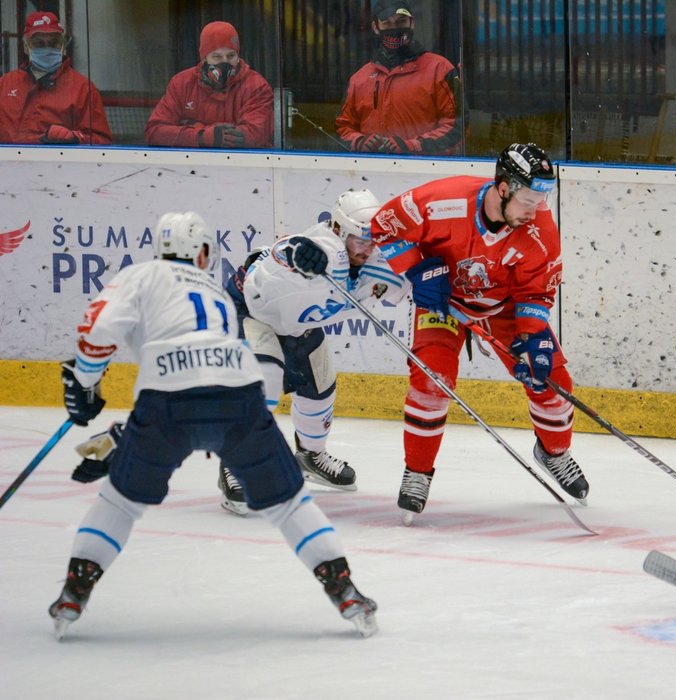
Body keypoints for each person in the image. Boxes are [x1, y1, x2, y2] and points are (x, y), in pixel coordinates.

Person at [49, 211, 377, 639]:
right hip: (238, 399)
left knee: (119, 503)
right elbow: (206, 373)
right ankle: (345, 591)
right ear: (202, 252)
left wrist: (86, 386)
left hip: (166, 404)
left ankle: (74, 592)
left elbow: (99, 330)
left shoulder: (141, 276)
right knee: (290, 504)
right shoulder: (215, 293)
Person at [370, 142, 588, 524]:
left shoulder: (540, 230)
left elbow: (535, 293)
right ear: (503, 187)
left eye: (542, 197)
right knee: (431, 380)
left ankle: (553, 452)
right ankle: (418, 472)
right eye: (527, 198)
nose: (535, 208)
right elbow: (384, 226)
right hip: (443, 303)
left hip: (501, 308)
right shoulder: (443, 200)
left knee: (552, 379)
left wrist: (531, 338)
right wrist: (417, 270)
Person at [218, 189, 409, 515]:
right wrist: (290, 255)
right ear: (338, 230)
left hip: (295, 323)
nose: (369, 248)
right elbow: (269, 259)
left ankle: (310, 455)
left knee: (320, 385)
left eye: (373, 239)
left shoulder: (373, 257)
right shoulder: (317, 250)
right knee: (264, 381)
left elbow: (409, 277)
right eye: (361, 240)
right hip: (250, 312)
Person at [335, 1, 461, 155]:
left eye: (401, 21)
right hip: (369, 172)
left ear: (412, 23)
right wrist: (359, 142)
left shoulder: (439, 69)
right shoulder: (359, 79)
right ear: (375, 27)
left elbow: (457, 126)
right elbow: (342, 127)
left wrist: (413, 146)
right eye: (387, 23)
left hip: (427, 171)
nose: (395, 28)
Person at [145, 21, 273, 148]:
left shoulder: (256, 86)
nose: (225, 62)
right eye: (217, 57)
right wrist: (202, 136)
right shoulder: (182, 83)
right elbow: (154, 132)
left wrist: (190, 127)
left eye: (231, 56)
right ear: (204, 58)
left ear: (238, 55)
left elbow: (257, 134)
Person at [0, 11, 111, 145]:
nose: (47, 48)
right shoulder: (4, 85)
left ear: (62, 45)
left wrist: (75, 138)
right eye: (39, 44)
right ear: (26, 47)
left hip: (58, 165)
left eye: (53, 43)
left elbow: (103, 143)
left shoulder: (83, 89)